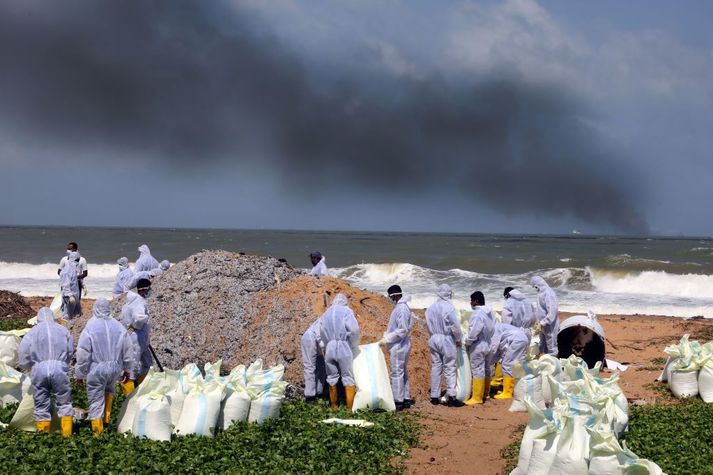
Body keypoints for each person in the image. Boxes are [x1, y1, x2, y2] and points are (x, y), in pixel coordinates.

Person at [75, 299, 134, 435]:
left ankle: (98, 433)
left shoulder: (90, 327)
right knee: (109, 392)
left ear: (95, 309)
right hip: (114, 368)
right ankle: (106, 422)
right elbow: (128, 349)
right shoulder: (118, 326)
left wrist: (80, 374)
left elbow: (83, 353)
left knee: (95, 401)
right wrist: (127, 369)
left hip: (96, 369)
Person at [17, 308, 74, 437]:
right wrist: (64, 362)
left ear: (38, 318)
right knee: (64, 401)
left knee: (41, 403)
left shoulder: (32, 332)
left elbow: (23, 352)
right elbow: (70, 349)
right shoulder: (63, 330)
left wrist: (27, 367)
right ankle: (67, 435)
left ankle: (43, 437)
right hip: (59, 367)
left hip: (39, 368)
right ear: (52, 317)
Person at [425, 284, 464, 407]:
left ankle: (434, 397)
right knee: (449, 367)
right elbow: (455, 327)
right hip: (446, 339)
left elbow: (427, 324)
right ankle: (451, 396)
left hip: (434, 337)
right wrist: (458, 339)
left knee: (436, 367)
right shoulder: (449, 308)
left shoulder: (430, 308)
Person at [319, 293, 360, 410]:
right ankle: (349, 409)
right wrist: (352, 344)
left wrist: (329, 342)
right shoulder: (346, 311)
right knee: (347, 377)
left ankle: (334, 406)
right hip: (343, 346)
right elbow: (354, 330)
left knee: (331, 377)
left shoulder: (326, 313)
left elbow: (322, 332)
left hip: (330, 347)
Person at [378, 285, 414, 411]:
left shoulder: (402, 309)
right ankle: (405, 398)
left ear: (394, 295)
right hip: (401, 343)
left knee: (396, 372)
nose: (389, 299)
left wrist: (387, 339)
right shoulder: (401, 307)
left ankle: (398, 400)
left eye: (390, 296)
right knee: (402, 371)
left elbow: (402, 330)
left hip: (399, 344)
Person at [464, 291, 496, 405]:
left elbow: (473, 332)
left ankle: (477, 397)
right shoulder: (490, 312)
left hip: (478, 344)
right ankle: (485, 394)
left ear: (476, 301)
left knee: (478, 370)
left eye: (471, 300)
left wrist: (467, 342)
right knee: (487, 369)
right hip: (488, 343)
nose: (470, 302)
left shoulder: (477, 314)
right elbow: (493, 328)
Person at [121, 278, 152, 386]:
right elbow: (138, 319)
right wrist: (145, 319)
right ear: (144, 289)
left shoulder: (131, 301)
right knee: (133, 364)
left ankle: (142, 384)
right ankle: (130, 387)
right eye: (149, 289)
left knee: (148, 363)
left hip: (138, 337)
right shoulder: (138, 302)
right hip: (137, 338)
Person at [489, 323, 529, 400]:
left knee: (507, 364)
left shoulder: (494, 330)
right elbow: (498, 353)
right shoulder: (498, 327)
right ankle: (517, 390)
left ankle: (507, 392)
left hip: (516, 340)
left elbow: (493, 348)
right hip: (522, 338)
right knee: (517, 365)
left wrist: (487, 361)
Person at [531, 276, 560, 356]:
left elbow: (552, 312)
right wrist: (537, 322)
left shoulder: (549, 293)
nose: (536, 289)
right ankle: (544, 363)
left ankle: (553, 365)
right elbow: (540, 309)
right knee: (542, 345)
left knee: (551, 347)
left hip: (550, 325)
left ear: (539, 284)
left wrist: (543, 322)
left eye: (536, 287)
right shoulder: (541, 293)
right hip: (542, 325)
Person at [300, 315, 326, 403]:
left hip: (317, 342)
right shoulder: (327, 317)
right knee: (310, 366)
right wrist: (322, 344)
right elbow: (318, 331)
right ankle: (310, 396)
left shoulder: (334, 319)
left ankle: (319, 392)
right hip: (310, 339)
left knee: (322, 366)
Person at [59, 251, 82, 319]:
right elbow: (65, 284)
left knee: (76, 314)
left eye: (78, 260)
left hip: (74, 295)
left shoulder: (73, 269)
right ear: (72, 259)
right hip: (69, 297)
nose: (78, 262)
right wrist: (70, 296)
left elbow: (74, 282)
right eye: (77, 260)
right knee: (67, 315)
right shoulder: (66, 271)